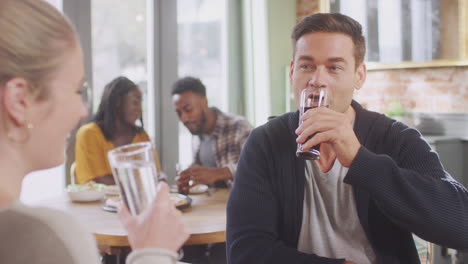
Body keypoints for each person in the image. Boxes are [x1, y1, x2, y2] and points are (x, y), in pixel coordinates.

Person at [227, 13, 468, 264]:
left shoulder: (396, 138)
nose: (317, 80)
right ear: (292, 72)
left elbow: (461, 227)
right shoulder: (264, 142)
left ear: (359, 76)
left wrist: (359, 158)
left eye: (334, 67)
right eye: (306, 66)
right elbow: (246, 252)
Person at [0, 0, 188, 263]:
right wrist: (153, 251)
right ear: (20, 101)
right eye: (78, 91)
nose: (81, 110)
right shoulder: (45, 240)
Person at [75, 76, 162, 185]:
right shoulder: (89, 134)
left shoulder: (141, 136)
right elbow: (99, 180)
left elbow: (155, 173)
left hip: (138, 201)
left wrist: (160, 177)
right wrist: (143, 179)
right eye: (135, 102)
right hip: (98, 202)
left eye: (140, 103)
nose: (140, 109)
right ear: (117, 102)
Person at [172, 76, 252, 192]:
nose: (184, 118)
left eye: (188, 109)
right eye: (179, 113)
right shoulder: (197, 135)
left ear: (204, 102)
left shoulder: (239, 127)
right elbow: (202, 173)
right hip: (214, 204)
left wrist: (219, 173)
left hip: (243, 205)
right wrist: (188, 178)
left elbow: (258, 167)